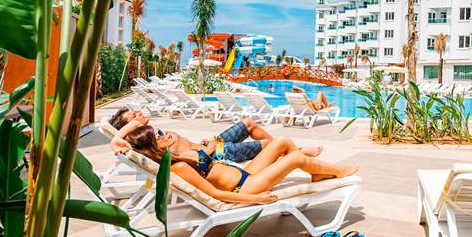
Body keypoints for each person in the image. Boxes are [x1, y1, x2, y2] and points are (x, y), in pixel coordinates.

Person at [120, 125, 358, 205]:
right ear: (152, 147)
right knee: (294, 159)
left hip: (244, 174)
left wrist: (119, 140)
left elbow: (121, 139)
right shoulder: (178, 168)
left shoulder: (177, 155)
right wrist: (255, 199)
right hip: (245, 187)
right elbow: (215, 194)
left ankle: (316, 173)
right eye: (158, 136)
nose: (164, 135)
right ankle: (338, 172)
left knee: (283, 142)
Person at [108, 107, 323, 162]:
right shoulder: (150, 145)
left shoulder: (154, 134)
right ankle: (299, 153)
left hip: (208, 146)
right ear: (130, 128)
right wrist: (121, 135)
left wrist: (204, 142)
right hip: (216, 155)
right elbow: (193, 158)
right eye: (133, 116)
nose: (138, 114)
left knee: (248, 123)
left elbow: (187, 147)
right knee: (268, 145)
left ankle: (294, 152)